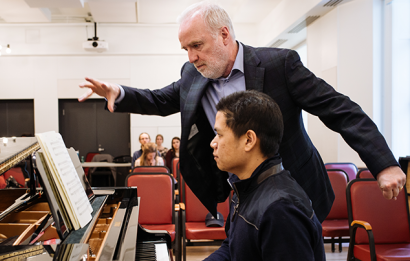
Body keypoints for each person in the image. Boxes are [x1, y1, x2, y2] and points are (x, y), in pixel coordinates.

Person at [79, 2, 406, 222]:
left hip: (295, 189)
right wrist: (118, 94)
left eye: (197, 45)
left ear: (224, 35)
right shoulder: (193, 74)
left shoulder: (280, 64)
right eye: (186, 49)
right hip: (239, 194)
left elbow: (340, 110)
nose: (191, 57)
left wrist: (385, 163)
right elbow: (160, 99)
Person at [200, 90, 325, 261]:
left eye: (220, 134)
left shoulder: (280, 210)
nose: (213, 143)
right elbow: (233, 247)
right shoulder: (246, 185)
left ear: (249, 140)